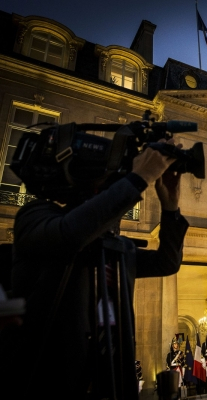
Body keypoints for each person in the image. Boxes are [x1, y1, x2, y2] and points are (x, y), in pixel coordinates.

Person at [9, 139, 189, 398]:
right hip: (49, 381)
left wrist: (170, 207)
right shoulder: (34, 217)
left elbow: (167, 262)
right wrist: (139, 178)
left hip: (114, 381)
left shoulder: (119, 248)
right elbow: (71, 233)